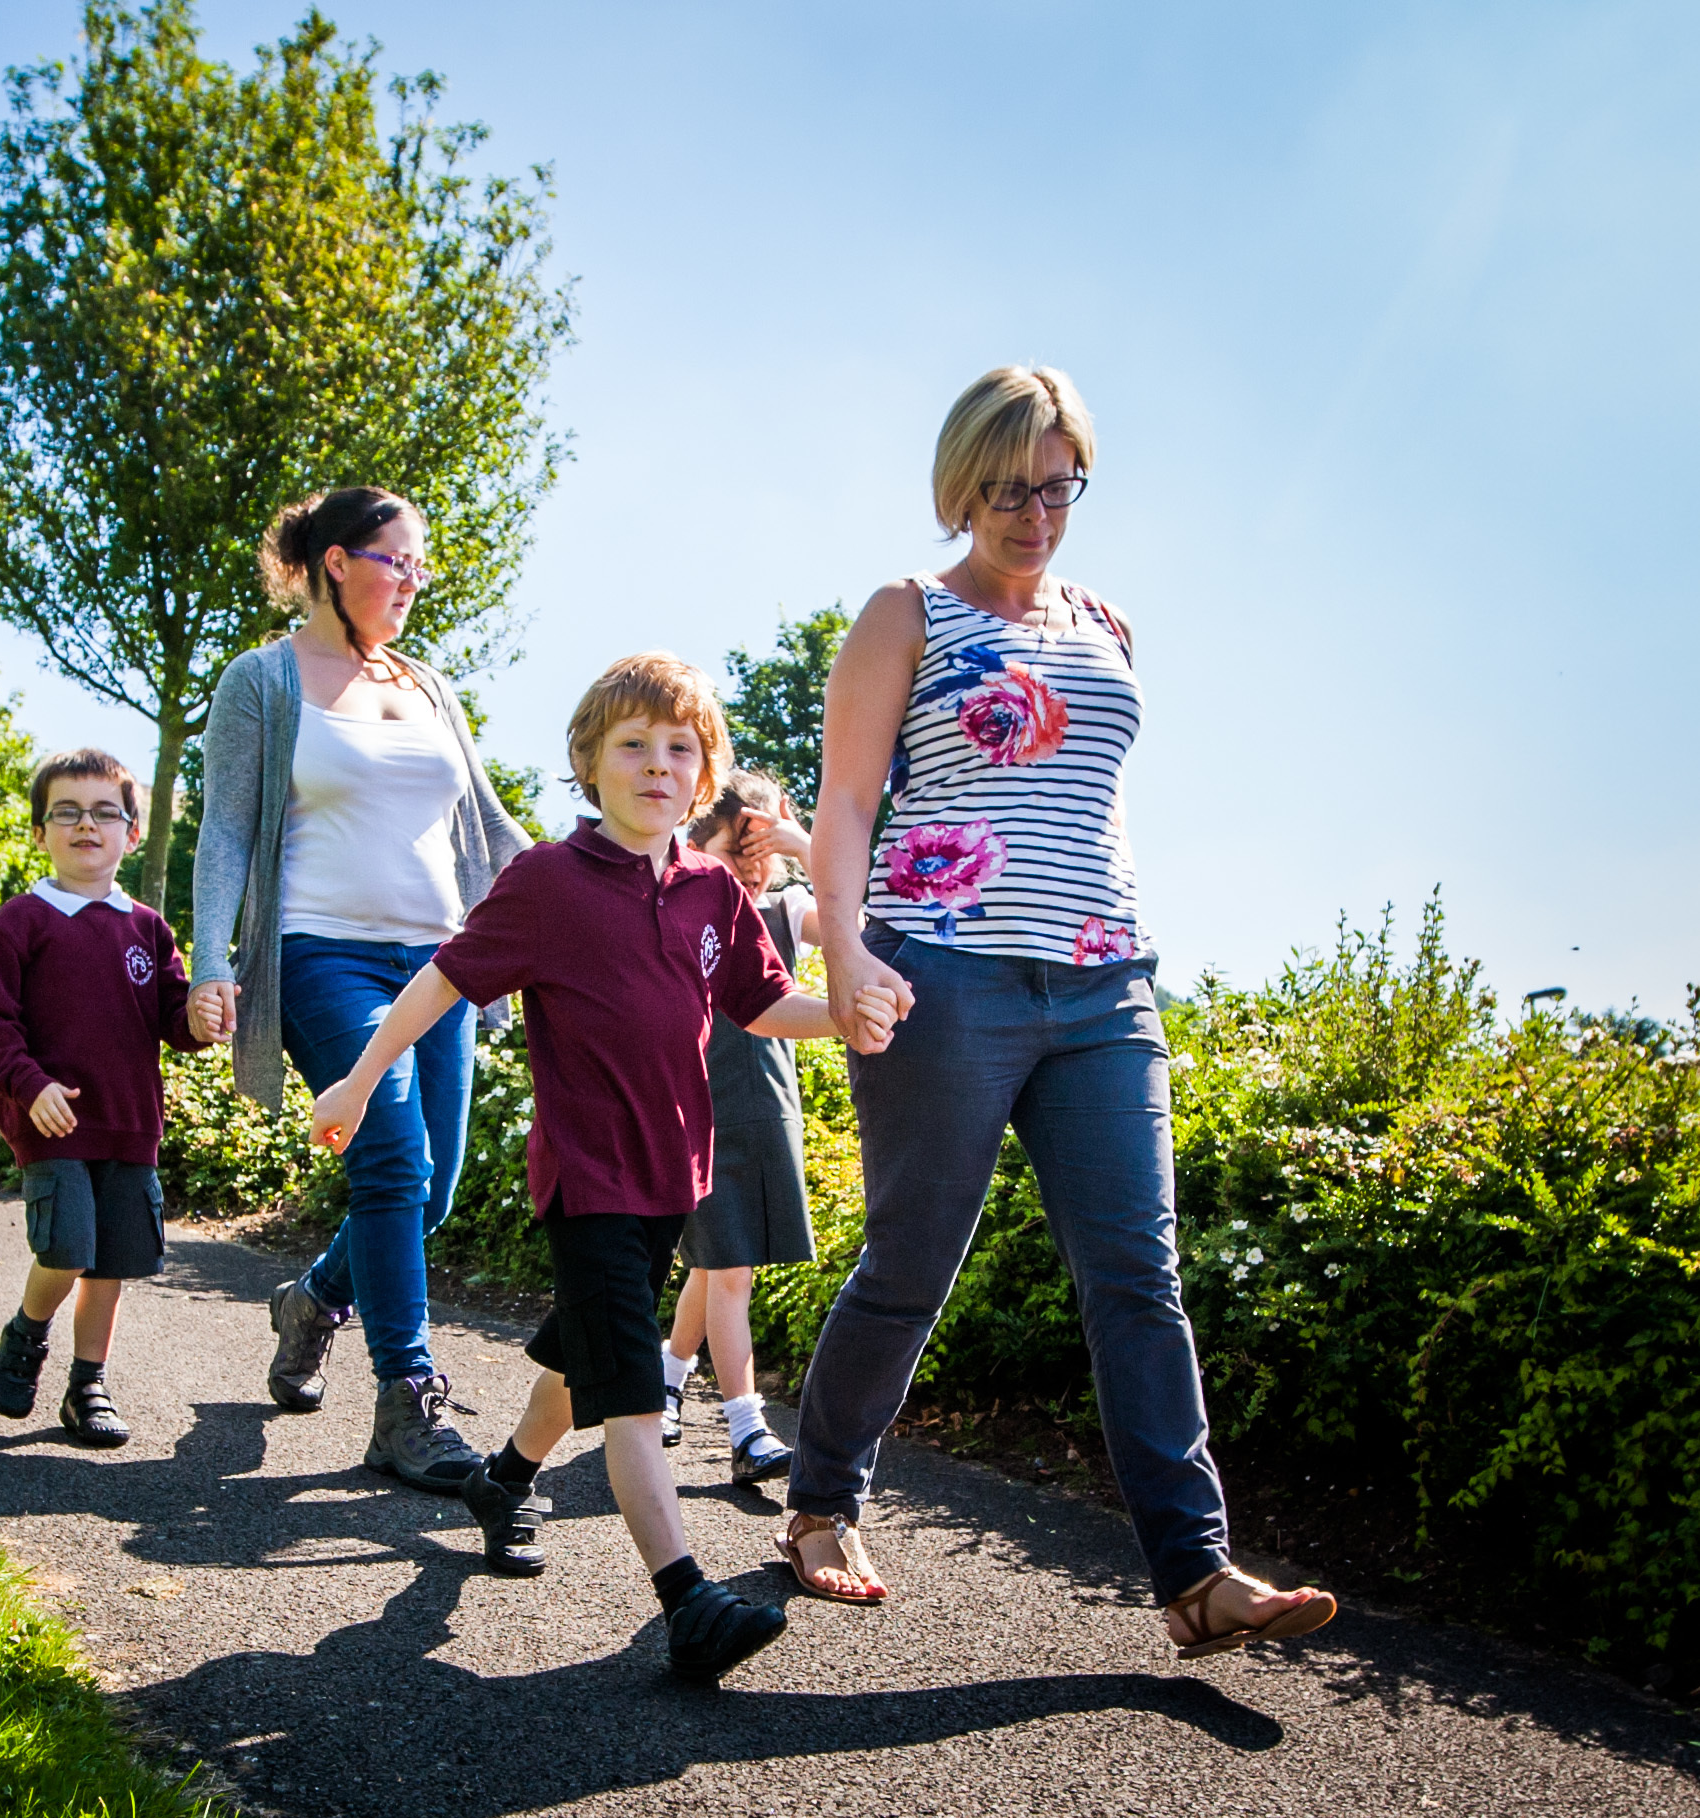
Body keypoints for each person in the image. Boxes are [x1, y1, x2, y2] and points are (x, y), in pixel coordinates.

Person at [790, 363, 1338, 1659]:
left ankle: (1195, 1574)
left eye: (1057, 486)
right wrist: (849, 953)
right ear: (957, 487)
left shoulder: (1106, 624)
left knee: (1137, 1275)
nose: (1034, 512)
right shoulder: (902, 612)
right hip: (945, 972)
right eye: (1004, 489)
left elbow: (1093, 798)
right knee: (913, 1259)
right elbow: (848, 802)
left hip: (1102, 983)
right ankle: (820, 1503)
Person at [309, 653, 899, 1681]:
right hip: (584, 1179)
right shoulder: (545, 880)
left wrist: (845, 1015)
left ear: (705, 774)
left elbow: (761, 1008)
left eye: (679, 748)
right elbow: (441, 983)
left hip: (675, 1176)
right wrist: (358, 1082)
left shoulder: (714, 891)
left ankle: (503, 1478)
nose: (656, 765)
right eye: (632, 745)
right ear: (589, 762)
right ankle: (687, 1602)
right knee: (629, 1391)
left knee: (584, 1352)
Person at [189, 486, 532, 1495]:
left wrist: (610, 876)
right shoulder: (263, 680)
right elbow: (224, 832)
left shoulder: (428, 685)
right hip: (320, 954)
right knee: (393, 1160)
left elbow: (489, 827)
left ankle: (311, 1304)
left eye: (421, 566)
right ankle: (405, 1399)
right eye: (396, 561)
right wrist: (212, 964)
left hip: (439, 966)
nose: (412, 582)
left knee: (433, 1189)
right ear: (335, 562)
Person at [0, 750, 230, 1447]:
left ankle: (88, 1385)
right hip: (53, 1122)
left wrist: (199, 1019)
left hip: (129, 1123)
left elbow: (172, 1017)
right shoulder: (21, 921)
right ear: (40, 831)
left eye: (104, 812)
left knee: (111, 1261)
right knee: (66, 1246)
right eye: (67, 811)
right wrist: (29, 1086)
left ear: (133, 830)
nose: (86, 825)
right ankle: (27, 1334)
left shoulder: (146, 927)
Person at [657, 770, 818, 1492]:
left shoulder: (785, 908)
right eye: (738, 847)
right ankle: (746, 1427)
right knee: (732, 1269)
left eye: (762, 848)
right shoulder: (683, 905)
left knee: (721, 1259)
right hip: (700, 1102)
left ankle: (665, 1378)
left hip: (771, 1100)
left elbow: (874, 914)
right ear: (700, 845)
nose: (752, 865)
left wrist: (799, 842)